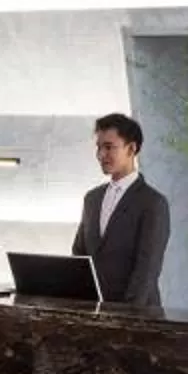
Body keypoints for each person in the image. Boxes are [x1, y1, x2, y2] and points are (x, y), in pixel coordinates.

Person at [72, 112, 172, 312]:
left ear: (132, 149)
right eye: (99, 148)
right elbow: (79, 256)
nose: (101, 155)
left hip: (138, 319)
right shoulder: (91, 199)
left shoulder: (153, 202)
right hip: (94, 316)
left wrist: (124, 317)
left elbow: (147, 269)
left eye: (109, 147)